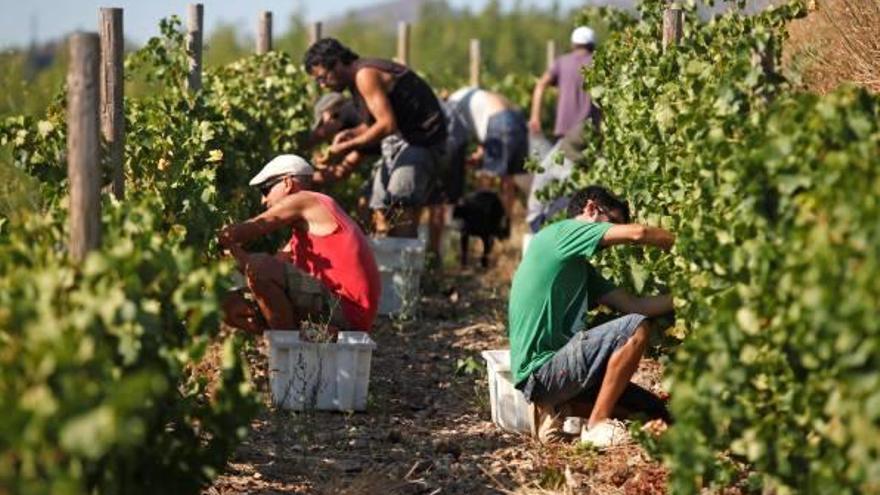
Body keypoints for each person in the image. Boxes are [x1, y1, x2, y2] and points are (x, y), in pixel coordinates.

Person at [508, 186, 675, 447]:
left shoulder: (580, 269)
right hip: (543, 372)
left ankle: (556, 412)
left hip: (561, 374)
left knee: (657, 413)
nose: (612, 240)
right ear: (591, 209)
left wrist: (686, 296)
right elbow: (638, 233)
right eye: (615, 222)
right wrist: (684, 246)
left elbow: (635, 305)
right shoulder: (560, 233)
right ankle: (596, 425)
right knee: (634, 329)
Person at [303, 38, 448, 241]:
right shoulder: (356, 83)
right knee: (379, 203)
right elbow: (376, 124)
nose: (323, 84)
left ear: (336, 63)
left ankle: (405, 268)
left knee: (400, 204)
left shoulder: (365, 75)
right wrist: (352, 134)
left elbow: (387, 125)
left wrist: (346, 146)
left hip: (422, 141)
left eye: (322, 77)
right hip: (402, 141)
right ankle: (386, 264)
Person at [219, 154, 381, 335]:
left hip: (347, 313)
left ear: (287, 183)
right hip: (331, 311)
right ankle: (294, 346)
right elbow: (258, 277)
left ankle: (293, 353)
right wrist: (229, 253)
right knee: (228, 304)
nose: (263, 200)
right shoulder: (300, 238)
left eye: (266, 190)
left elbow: (253, 228)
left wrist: (213, 234)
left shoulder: (307, 200)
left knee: (260, 266)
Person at [447, 86, 530, 223]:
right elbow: (484, 126)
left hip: (499, 121)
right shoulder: (470, 93)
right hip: (518, 120)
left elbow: (457, 139)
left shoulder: (453, 102)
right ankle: (505, 224)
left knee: (486, 176)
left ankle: (483, 221)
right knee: (508, 179)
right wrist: (480, 154)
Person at [529, 26, 599, 141]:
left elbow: (540, 85)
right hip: (590, 131)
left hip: (564, 129)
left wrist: (535, 117)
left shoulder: (562, 62)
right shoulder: (597, 64)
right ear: (593, 45)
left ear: (573, 44)